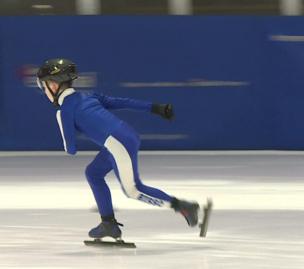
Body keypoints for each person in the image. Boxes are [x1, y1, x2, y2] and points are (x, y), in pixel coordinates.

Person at [36, 58, 199, 240]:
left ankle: (183, 207)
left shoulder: (64, 111)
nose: (45, 91)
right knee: (93, 173)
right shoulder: (89, 96)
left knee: (133, 190)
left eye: (44, 86)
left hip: (117, 144)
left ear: (53, 85)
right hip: (126, 135)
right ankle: (108, 224)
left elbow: (71, 149)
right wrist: (155, 108)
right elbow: (121, 102)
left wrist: (70, 126)